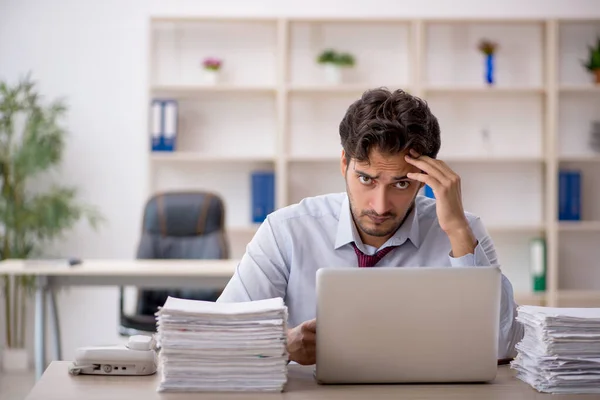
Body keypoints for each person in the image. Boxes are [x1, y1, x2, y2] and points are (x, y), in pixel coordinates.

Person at [217, 87, 524, 366]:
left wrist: (458, 231)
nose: (380, 206)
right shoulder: (286, 231)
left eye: (402, 183)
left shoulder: (463, 231)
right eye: (367, 179)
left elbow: (503, 347)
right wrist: (282, 345)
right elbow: (221, 337)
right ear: (344, 164)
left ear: (426, 179)